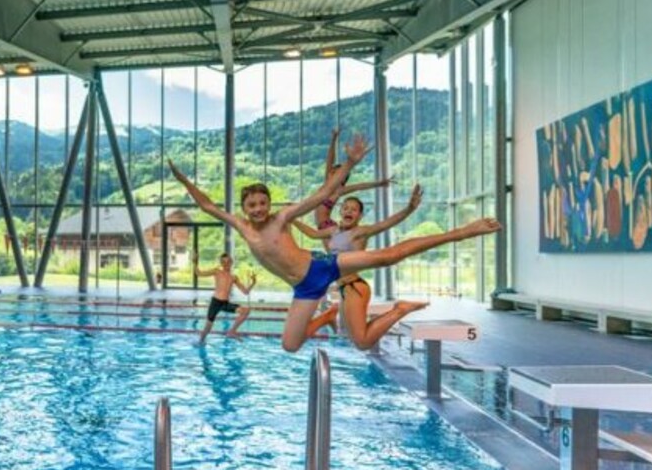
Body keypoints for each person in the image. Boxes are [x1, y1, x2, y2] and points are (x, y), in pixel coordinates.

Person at [166, 134, 501, 353]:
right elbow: (208, 206)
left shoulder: (282, 218)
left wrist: (351, 163)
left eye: (262, 203)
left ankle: (465, 231)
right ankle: (328, 316)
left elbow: (325, 193)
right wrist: (184, 181)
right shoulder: (242, 226)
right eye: (252, 205)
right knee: (289, 345)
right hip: (304, 289)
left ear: (269, 203)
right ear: (244, 208)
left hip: (320, 265)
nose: (258, 209)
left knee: (389, 256)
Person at [294, 184, 430, 349]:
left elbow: (385, 224)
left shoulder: (360, 232)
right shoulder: (333, 231)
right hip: (345, 289)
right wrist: (290, 219)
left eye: (354, 209)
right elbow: (312, 233)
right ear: (340, 212)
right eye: (345, 208)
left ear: (359, 215)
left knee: (363, 342)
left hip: (354, 287)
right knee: (351, 336)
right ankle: (396, 310)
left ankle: (400, 310)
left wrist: (409, 209)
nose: (349, 211)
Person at [315, 128, 393, 232]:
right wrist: (333, 139)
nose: (331, 173)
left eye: (336, 173)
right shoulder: (327, 185)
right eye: (332, 172)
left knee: (343, 247)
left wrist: (380, 183)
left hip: (326, 226)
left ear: (341, 179)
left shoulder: (339, 190)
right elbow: (330, 159)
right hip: (325, 226)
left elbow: (360, 186)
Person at [194, 253, 257, 344]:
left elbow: (245, 292)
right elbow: (199, 273)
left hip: (225, 303)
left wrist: (253, 282)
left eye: (228, 262)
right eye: (223, 262)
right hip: (215, 303)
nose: (226, 264)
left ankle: (232, 331)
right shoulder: (217, 272)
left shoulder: (233, 277)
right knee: (207, 328)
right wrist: (195, 262)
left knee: (246, 311)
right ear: (221, 263)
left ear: (231, 262)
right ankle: (200, 342)